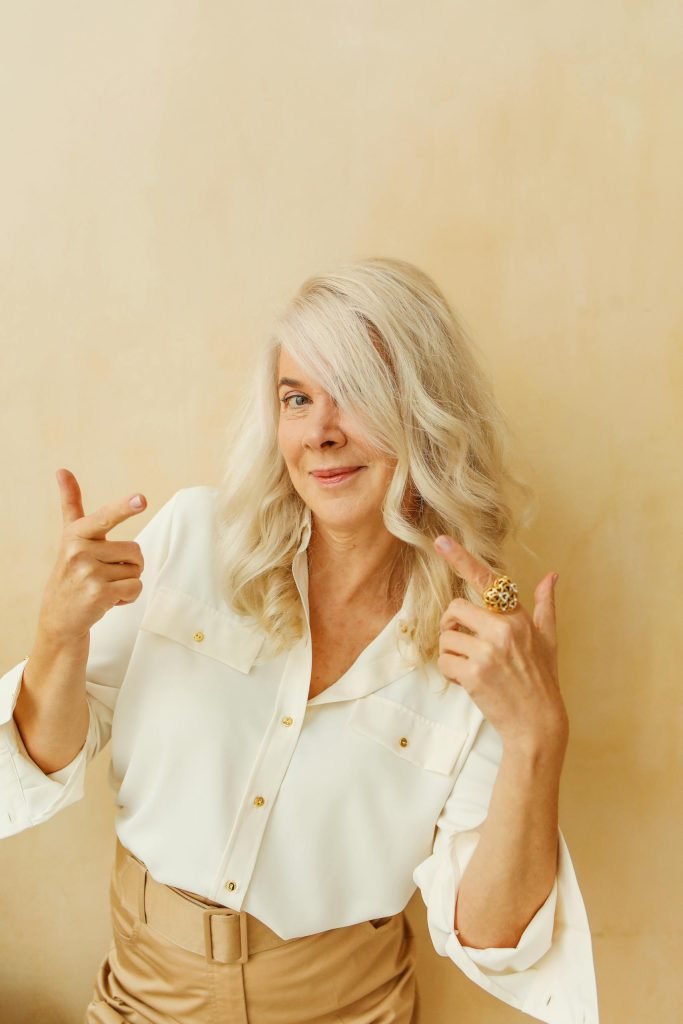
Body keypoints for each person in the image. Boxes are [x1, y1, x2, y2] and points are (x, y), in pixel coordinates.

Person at [0, 257, 599, 1023]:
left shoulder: (479, 645)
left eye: (355, 394)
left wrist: (537, 734)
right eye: (297, 398)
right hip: (145, 999)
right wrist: (58, 635)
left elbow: (490, 936)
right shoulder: (192, 540)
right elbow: (34, 770)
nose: (320, 432)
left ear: (423, 412)